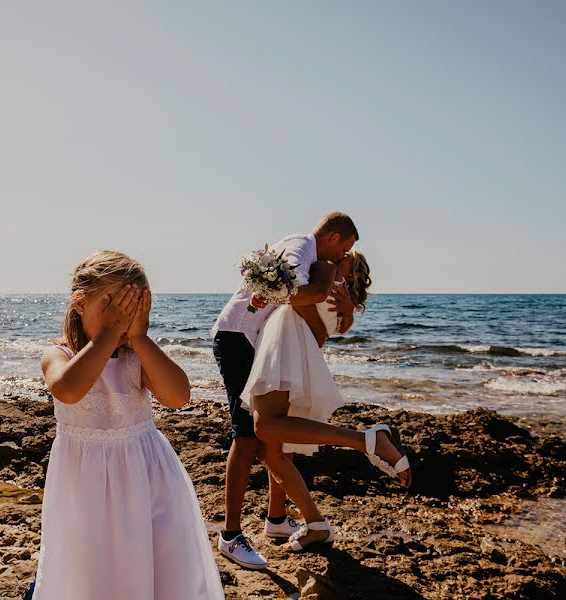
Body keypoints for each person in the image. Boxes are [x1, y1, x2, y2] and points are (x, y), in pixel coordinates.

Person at [32, 250, 224, 599]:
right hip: (85, 486)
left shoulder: (137, 356)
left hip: (147, 477)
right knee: (90, 568)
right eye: (114, 306)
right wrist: (107, 333)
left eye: (133, 308)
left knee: (157, 564)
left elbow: (178, 397)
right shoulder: (58, 355)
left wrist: (140, 336)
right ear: (80, 303)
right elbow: (68, 390)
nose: (123, 318)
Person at [210, 212, 358, 569]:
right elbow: (290, 290)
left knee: (276, 435)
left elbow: (288, 296)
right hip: (238, 338)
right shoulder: (303, 245)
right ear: (334, 237)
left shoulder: (307, 253)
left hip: (254, 342)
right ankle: (230, 536)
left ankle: (276, 520)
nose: (342, 258)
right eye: (346, 248)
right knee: (246, 437)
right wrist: (310, 293)